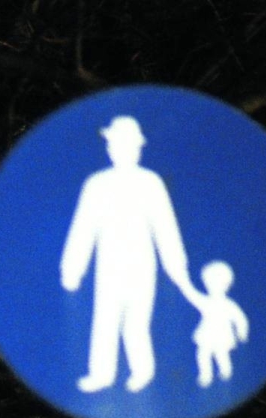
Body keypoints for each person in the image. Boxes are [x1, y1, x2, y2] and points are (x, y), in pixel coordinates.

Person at [59, 115, 202, 394]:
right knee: (105, 318)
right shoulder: (97, 184)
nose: (118, 150)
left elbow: (165, 227)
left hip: (140, 263)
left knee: (136, 320)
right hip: (108, 263)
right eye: (113, 145)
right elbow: (83, 228)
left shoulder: (150, 183)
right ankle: (101, 374)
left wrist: (176, 265)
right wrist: (72, 268)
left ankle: (142, 372)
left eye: (125, 145)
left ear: (137, 149)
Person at [191, 260, 250, 386]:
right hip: (207, 333)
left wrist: (242, 332)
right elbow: (193, 296)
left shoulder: (229, 305)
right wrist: (182, 284)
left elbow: (240, 319)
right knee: (203, 354)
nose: (211, 286)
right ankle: (206, 375)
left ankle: (226, 372)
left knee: (220, 354)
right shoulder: (206, 301)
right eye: (208, 283)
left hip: (222, 335)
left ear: (226, 285)